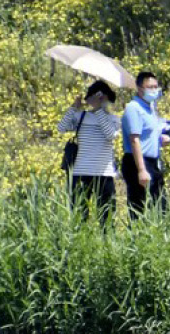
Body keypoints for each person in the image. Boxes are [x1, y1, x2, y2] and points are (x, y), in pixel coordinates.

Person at [58, 80, 120, 226]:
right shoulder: (82, 117)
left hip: (104, 174)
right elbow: (61, 128)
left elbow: (110, 135)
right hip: (81, 172)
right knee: (79, 216)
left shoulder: (113, 120)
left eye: (103, 98)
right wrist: (74, 107)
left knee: (107, 217)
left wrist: (98, 109)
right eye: (98, 97)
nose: (102, 101)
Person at [121, 71, 170, 218]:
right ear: (140, 88)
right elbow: (134, 139)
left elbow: (148, 134)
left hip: (153, 162)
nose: (154, 90)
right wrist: (142, 170)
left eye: (156, 86)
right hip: (137, 162)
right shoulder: (133, 108)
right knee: (139, 207)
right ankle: (137, 237)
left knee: (160, 206)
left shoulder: (150, 108)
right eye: (150, 87)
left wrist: (162, 139)